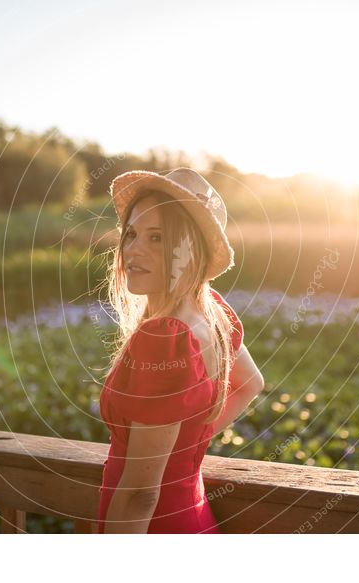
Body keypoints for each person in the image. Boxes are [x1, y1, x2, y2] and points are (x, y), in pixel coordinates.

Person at [96, 167, 265, 534]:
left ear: (189, 249)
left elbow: (140, 493)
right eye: (131, 233)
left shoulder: (165, 336)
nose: (133, 250)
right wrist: (184, 452)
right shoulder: (213, 313)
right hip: (193, 516)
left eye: (157, 238)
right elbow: (251, 384)